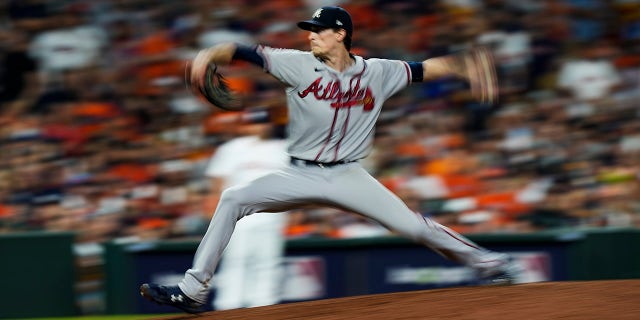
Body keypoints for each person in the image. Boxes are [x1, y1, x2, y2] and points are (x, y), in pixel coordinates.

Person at [140, 6, 520, 314]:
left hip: (349, 176)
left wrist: (462, 64)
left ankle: (492, 265)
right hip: (298, 174)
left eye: (319, 29)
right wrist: (208, 54)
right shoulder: (297, 64)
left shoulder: (378, 71)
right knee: (233, 198)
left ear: (341, 34)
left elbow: (424, 68)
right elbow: (242, 51)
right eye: (310, 29)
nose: (311, 34)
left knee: (414, 227)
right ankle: (192, 291)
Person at [205, 111, 288, 310]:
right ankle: (228, 307)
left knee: (268, 262)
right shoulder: (231, 149)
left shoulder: (283, 149)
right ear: (245, 125)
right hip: (239, 214)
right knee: (236, 260)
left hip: (271, 214)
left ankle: (264, 307)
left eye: (263, 123)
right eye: (254, 123)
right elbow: (217, 181)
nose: (259, 127)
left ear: (269, 125)